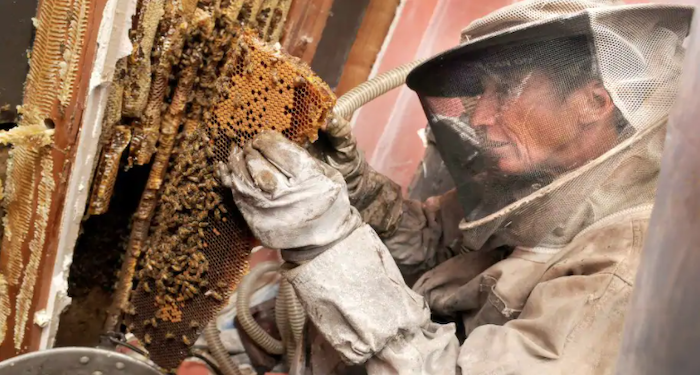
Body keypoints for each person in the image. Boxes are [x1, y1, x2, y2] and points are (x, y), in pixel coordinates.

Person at [218, 1, 694, 373]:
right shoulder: (540, 177)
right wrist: (356, 187)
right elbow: (436, 244)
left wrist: (323, 240)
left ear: (593, 102)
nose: (480, 116)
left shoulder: (632, 265)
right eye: (480, 92)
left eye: (504, 90)